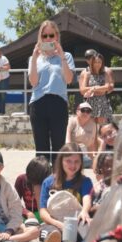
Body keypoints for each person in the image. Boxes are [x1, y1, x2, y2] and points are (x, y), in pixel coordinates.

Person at [27, 20, 76, 164]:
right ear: (40, 38)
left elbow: (68, 79)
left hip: (58, 102)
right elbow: (33, 82)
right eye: (44, 36)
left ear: (57, 36)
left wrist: (61, 57)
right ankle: (42, 182)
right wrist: (35, 58)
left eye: (51, 35)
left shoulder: (66, 56)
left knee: (58, 146)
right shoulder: (34, 58)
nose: (48, 39)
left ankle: (58, 180)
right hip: (38, 102)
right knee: (41, 147)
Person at [39, 143, 93, 242]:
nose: (73, 165)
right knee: (47, 231)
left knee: (89, 226)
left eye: (77, 161)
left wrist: (84, 211)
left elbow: (87, 198)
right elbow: (43, 211)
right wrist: (58, 224)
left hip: (76, 222)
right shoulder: (48, 182)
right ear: (61, 161)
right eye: (68, 161)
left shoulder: (85, 181)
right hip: (55, 223)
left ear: (81, 162)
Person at [79, 49, 114, 124]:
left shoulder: (106, 72)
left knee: (102, 127)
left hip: (102, 103)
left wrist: (93, 89)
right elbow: (82, 90)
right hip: (90, 103)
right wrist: (100, 89)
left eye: (99, 62)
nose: (97, 64)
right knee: (90, 127)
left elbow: (108, 87)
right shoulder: (86, 73)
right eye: (95, 62)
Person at [15, 155, 51, 223]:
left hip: (46, 212)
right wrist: (26, 212)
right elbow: (14, 203)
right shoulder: (21, 180)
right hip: (28, 215)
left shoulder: (50, 182)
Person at [65, 101, 99, 167]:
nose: (85, 113)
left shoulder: (93, 124)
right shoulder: (71, 121)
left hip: (86, 156)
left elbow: (92, 144)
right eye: (83, 110)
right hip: (72, 153)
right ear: (77, 111)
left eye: (88, 111)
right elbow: (67, 141)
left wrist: (93, 162)